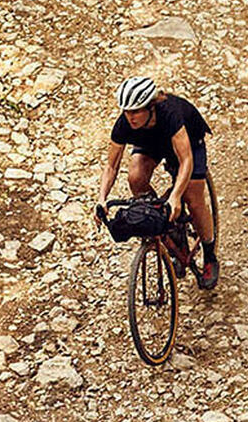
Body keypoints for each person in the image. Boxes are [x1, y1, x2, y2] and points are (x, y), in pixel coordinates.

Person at [94, 75, 220, 289]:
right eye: (126, 111)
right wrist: (102, 199)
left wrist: (175, 196)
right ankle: (166, 224)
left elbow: (186, 160)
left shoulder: (170, 114)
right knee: (135, 177)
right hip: (152, 144)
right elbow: (111, 166)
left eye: (136, 111)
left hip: (188, 143)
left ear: (150, 107)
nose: (130, 117)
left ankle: (209, 255)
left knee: (192, 196)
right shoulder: (124, 124)